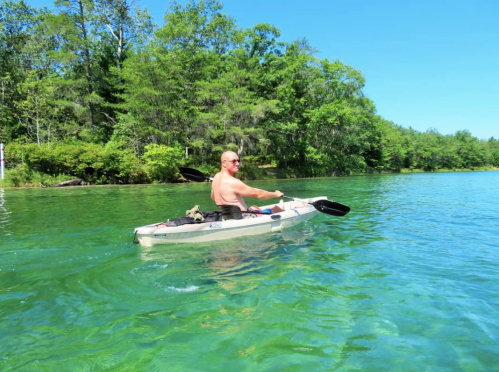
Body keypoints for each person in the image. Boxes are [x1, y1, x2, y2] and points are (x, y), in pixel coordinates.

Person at [211, 151, 284, 219]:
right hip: (244, 217)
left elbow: (213, 197)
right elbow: (259, 194)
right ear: (223, 163)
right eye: (233, 161)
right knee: (276, 208)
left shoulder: (216, 177)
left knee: (255, 208)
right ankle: (282, 208)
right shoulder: (233, 182)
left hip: (227, 217)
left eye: (238, 160)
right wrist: (275, 194)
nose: (237, 163)